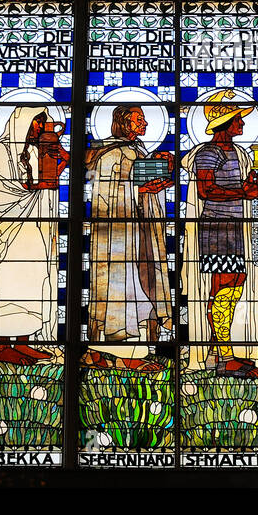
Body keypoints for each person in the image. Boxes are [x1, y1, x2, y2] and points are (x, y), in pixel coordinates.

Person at [183, 91, 258, 377]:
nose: (242, 124)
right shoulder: (209, 153)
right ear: (225, 123)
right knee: (222, 286)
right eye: (237, 120)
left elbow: (236, 188)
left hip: (235, 226)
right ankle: (223, 358)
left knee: (234, 285)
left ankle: (225, 351)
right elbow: (206, 191)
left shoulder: (235, 153)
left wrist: (253, 186)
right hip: (217, 227)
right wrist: (245, 190)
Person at [84, 105, 173, 372]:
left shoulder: (136, 152)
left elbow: (139, 186)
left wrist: (157, 180)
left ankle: (128, 350)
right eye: (139, 120)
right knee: (121, 290)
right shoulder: (110, 154)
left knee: (144, 285)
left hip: (140, 232)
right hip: (117, 240)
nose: (145, 124)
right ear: (123, 123)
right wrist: (147, 183)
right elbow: (116, 191)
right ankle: (123, 354)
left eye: (144, 120)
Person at [0, 106, 68, 365]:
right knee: (10, 286)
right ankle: (3, 347)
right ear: (24, 124)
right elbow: (1, 191)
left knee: (34, 283)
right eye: (37, 124)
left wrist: (59, 152)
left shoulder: (36, 149)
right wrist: (36, 186)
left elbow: (55, 173)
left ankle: (24, 342)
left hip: (34, 228)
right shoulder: (3, 149)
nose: (40, 128)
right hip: (10, 232)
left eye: (43, 124)